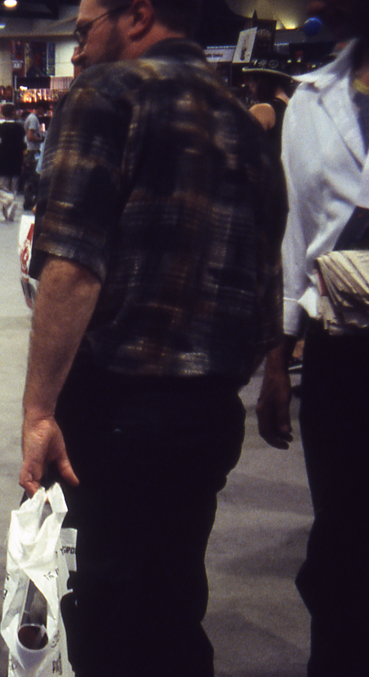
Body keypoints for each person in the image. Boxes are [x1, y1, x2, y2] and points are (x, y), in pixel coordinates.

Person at [19, 1, 286, 675]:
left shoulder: (106, 94)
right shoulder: (246, 124)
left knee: (102, 615)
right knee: (171, 604)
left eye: (84, 31)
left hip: (116, 411)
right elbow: (267, 281)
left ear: (136, 15)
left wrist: (39, 409)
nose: (78, 51)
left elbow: (72, 265)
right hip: (209, 416)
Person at [256, 1, 369, 674]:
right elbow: (295, 240)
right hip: (342, 352)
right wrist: (278, 357)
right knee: (343, 536)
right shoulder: (311, 101)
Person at [243, 54, 295, 157]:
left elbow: (246, 153)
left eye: (251, 79)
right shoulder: (296, 106)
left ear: (262, 80)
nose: (249, 85)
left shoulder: (261, 110)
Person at [0, 102, 25, 221]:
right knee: (13, 189)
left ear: (3, 113)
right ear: (13, 112)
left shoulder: (0, 128)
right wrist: (22, 163)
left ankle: (10, 201)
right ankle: (9, 213)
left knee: (0, 188)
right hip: (17, 162)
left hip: (1, 163)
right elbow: (24, 148)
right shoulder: (20, 128)